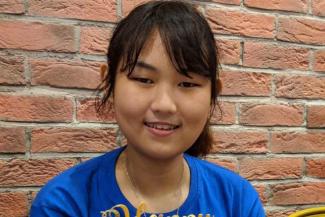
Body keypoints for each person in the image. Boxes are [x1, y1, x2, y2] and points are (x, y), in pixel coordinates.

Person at [30, 1, 265, 217]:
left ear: (213, 94)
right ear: (108, 84)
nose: (164, 105)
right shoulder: (64, 204)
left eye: (187, 84)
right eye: (143, 79)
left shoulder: (237, 200)